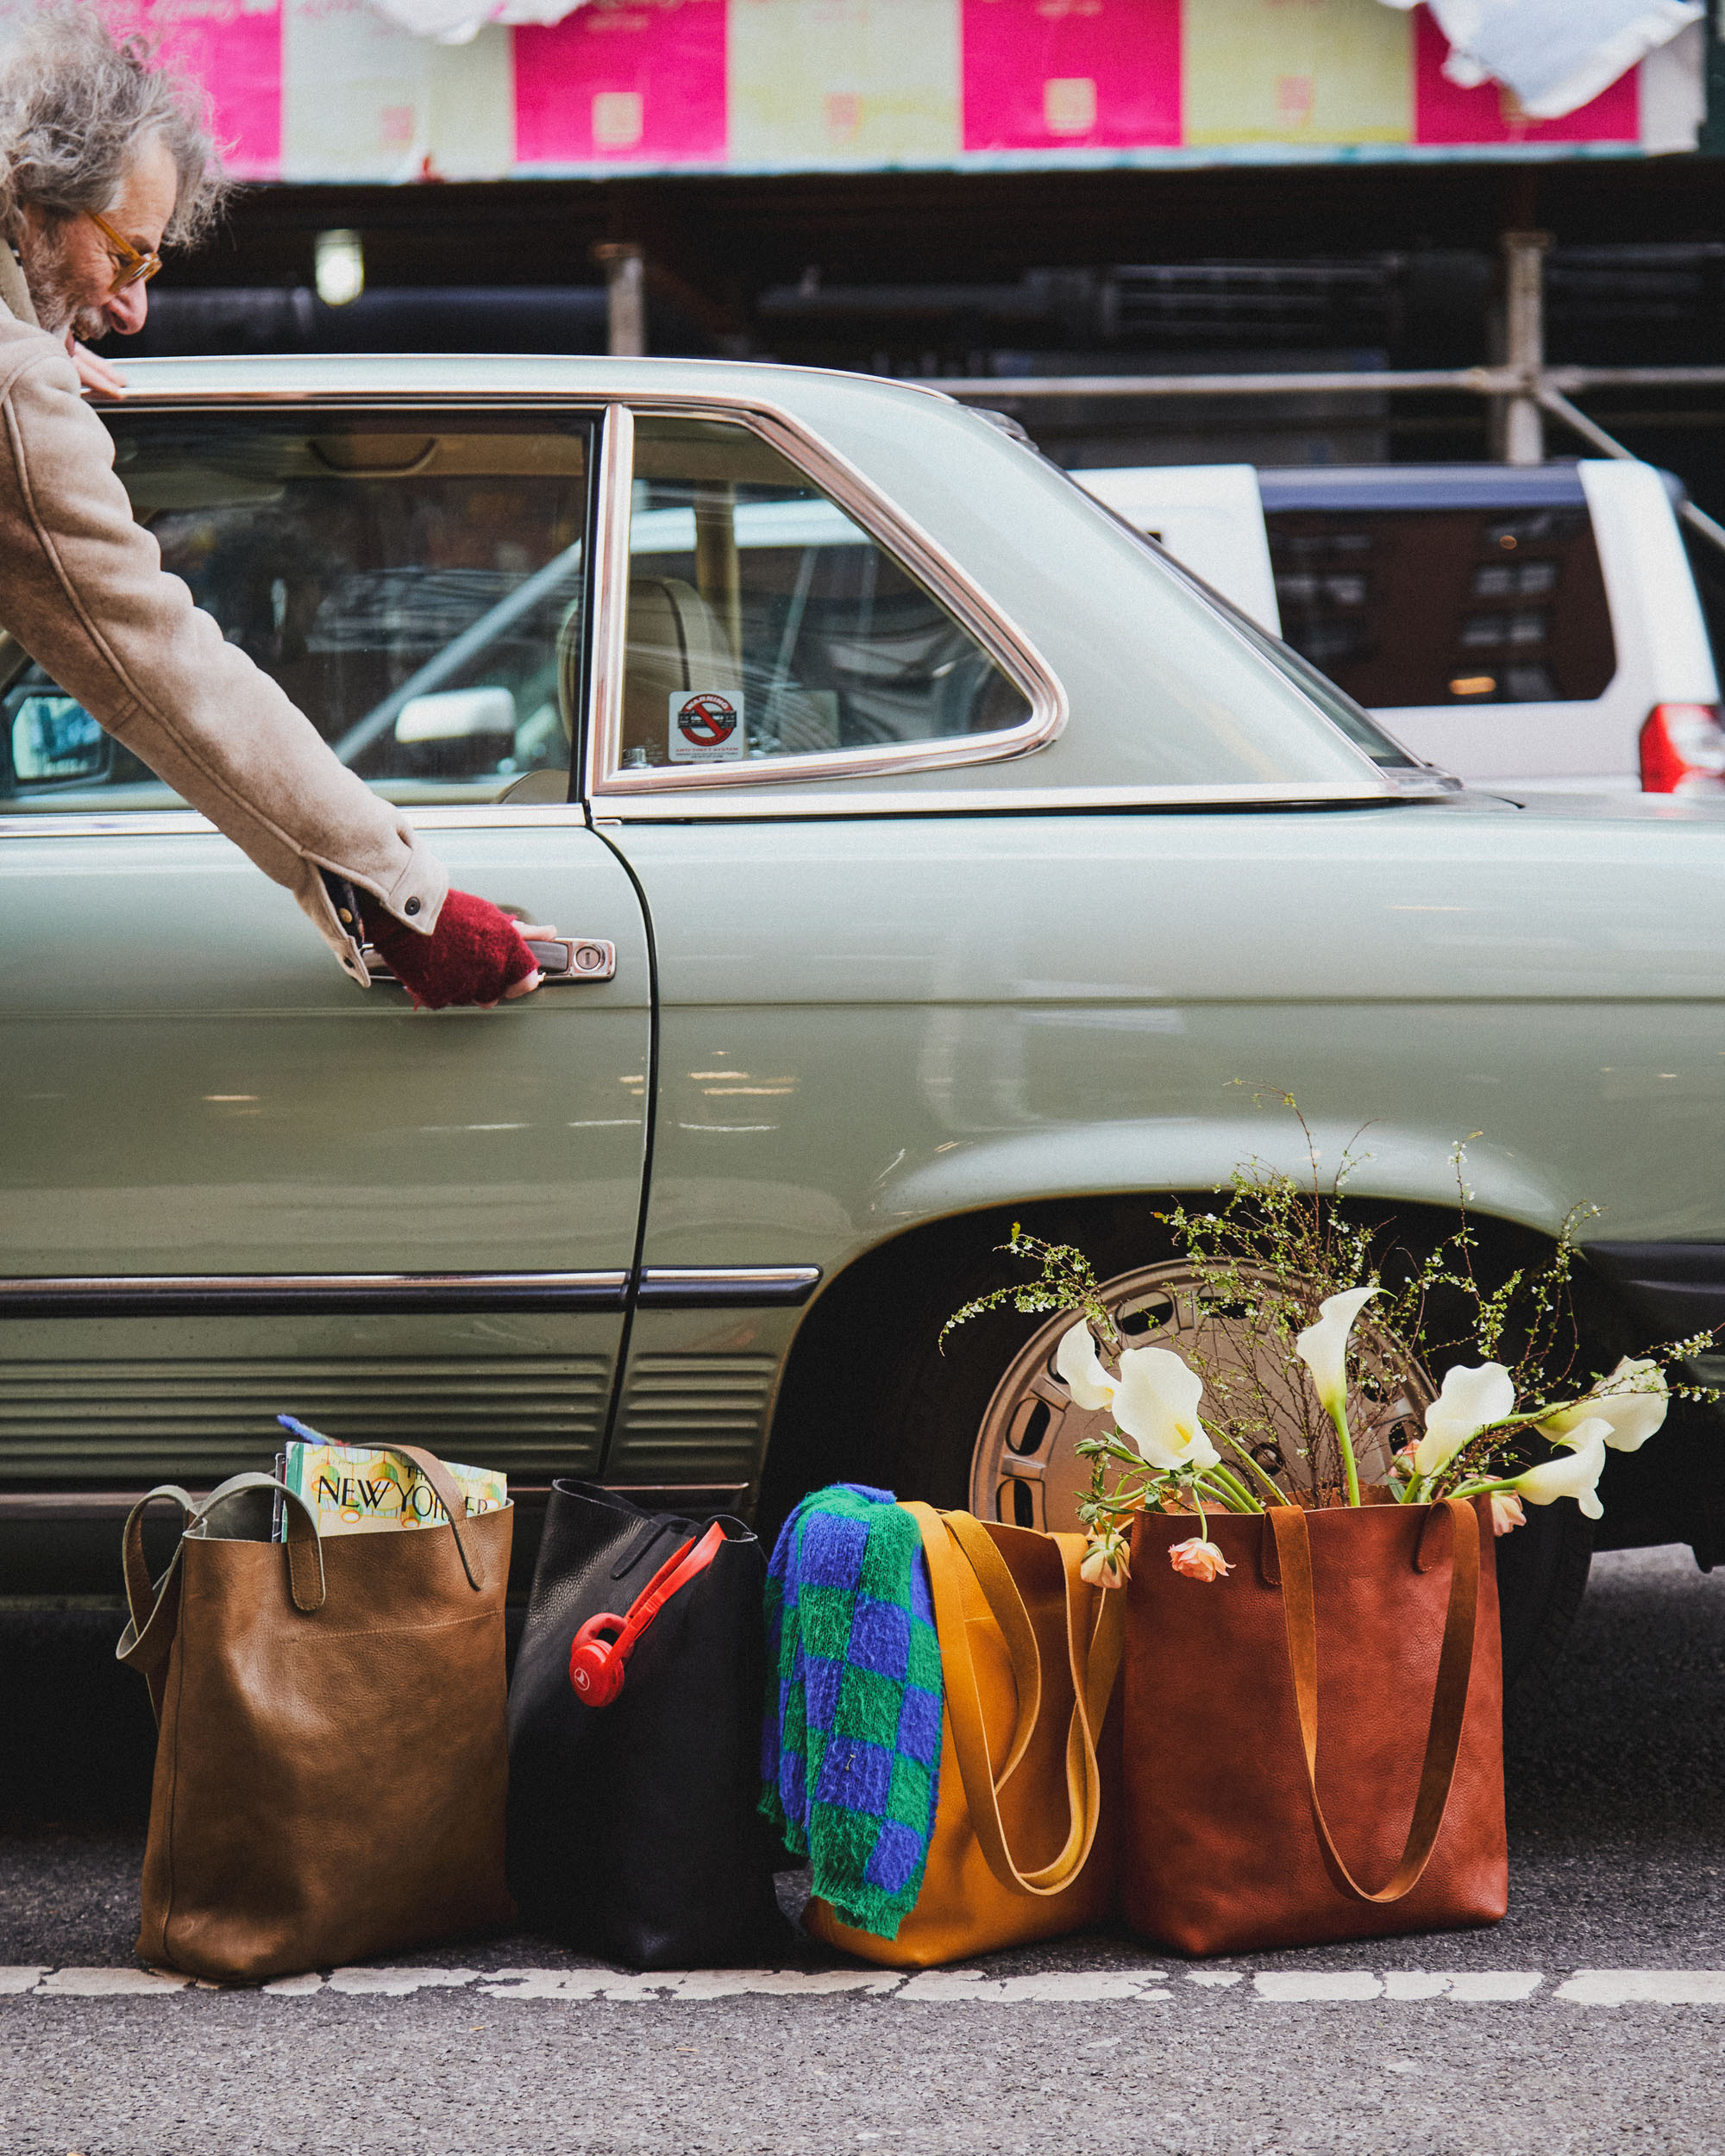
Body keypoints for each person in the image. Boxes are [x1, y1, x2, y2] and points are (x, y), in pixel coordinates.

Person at [0, 7, 538, 1011]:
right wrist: (403, 898)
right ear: (37, 204)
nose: (132, 310)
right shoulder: (15, 390)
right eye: (128, 257)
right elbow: (157, 665)